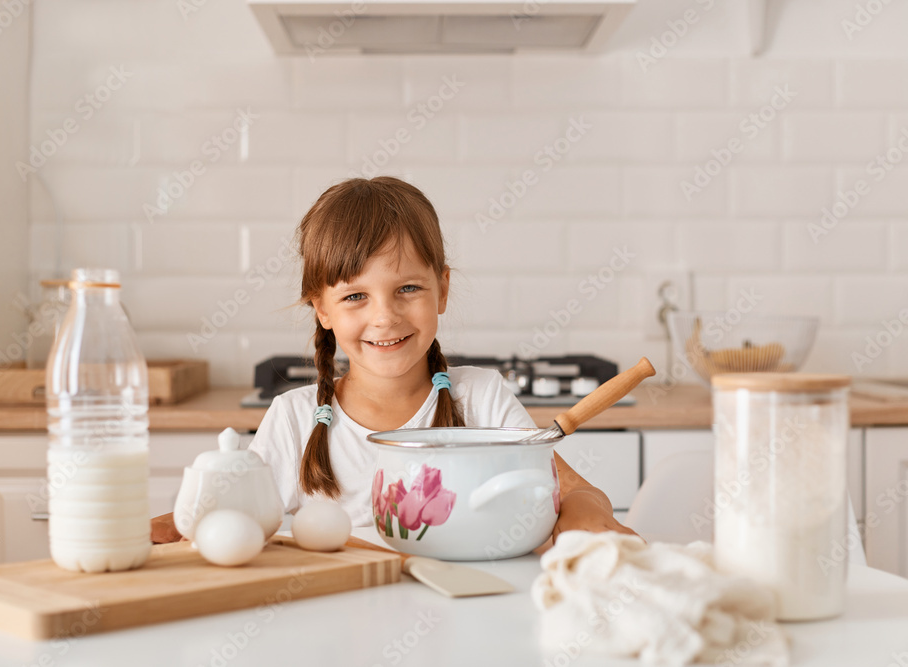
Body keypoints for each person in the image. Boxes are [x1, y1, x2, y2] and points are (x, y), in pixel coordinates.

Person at [150, 176, 638, 544]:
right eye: (356, 297)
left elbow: (576, 493)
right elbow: (229, 523)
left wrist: (584, 520)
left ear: (442, 289)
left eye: (408, 288)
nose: (385, 318)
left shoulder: (482, 400)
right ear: (321, 308)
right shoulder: (294, 420)